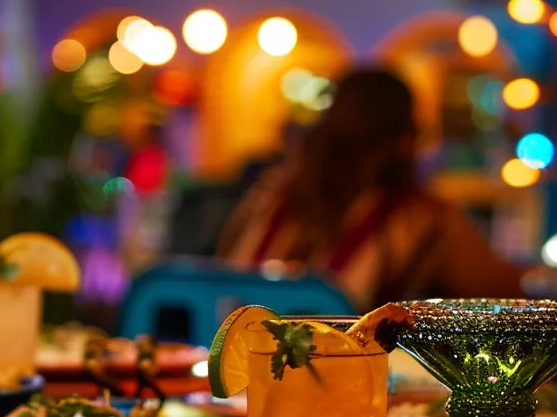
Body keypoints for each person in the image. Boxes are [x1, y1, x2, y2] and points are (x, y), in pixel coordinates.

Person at [215, 68, 523, 309]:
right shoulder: (421, 220)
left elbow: (220, 272)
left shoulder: (271, 197)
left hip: (237, 373)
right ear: (405, 139)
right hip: (353, 379)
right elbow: (507, 296)